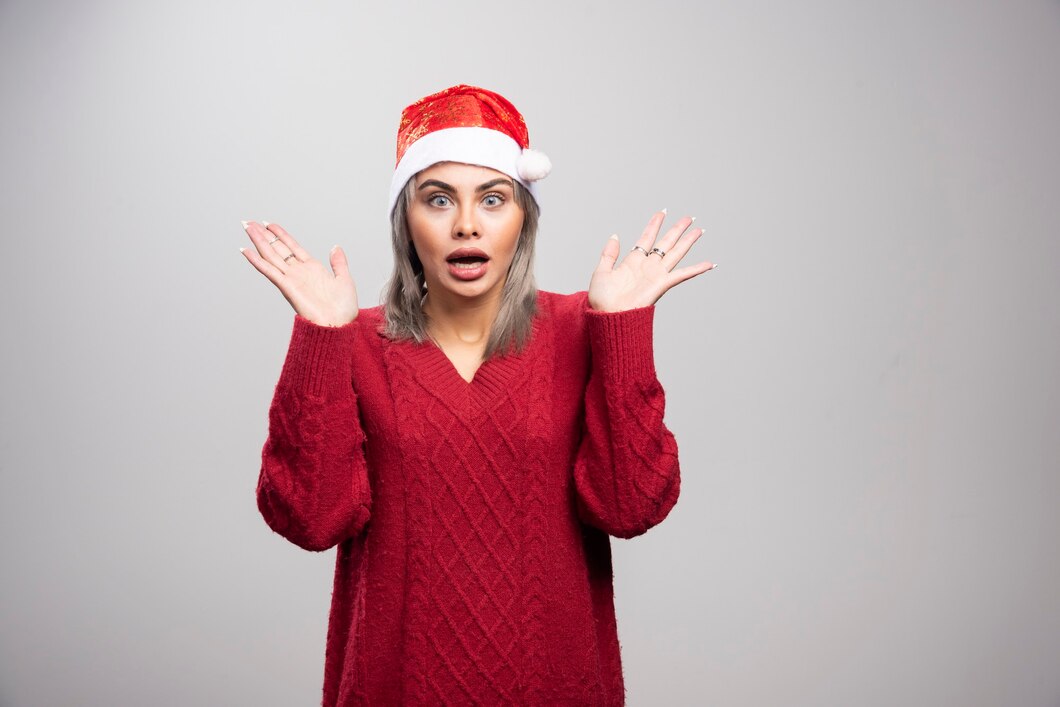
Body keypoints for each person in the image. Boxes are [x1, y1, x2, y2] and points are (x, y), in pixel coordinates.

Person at [239, 84, 716, 706]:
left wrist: (622, 330)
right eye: (438, 200)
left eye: (493, 199)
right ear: (404, 220)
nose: (467, 224)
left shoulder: (584, 328)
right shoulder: (353, 340)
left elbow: (631, 509)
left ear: (525, 215)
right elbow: (309, 518)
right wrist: (320, 338)